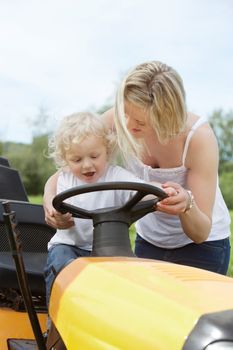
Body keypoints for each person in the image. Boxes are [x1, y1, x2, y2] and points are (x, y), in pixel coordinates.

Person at [44, 61, 231, 275]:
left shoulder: (198, 138)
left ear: (165, 114)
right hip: (149, 242)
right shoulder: (119, 119)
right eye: (125, 112)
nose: (128, 124)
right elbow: (64, 172)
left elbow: (201, 232)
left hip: (204, 249)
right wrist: (50, 202)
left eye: (140, 121)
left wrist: (187, 204)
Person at [44, 111, 175, 308]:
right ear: (65, 159)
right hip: (69, 245)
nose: (87, 165)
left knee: (130, 280)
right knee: (61, 268)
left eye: (94, 156)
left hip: (109, 250)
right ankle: (55, 323)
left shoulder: (117, 176)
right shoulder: (64, 179)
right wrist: (57, 216)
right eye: (77, 160)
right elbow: (55, 205)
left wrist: (164, 191)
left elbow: (145, 190)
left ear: (107, 149)